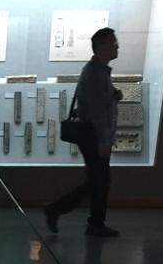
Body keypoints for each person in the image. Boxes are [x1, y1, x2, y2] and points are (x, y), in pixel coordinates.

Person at [44, 27, 122, 237]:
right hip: (94, 135)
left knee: (98, 180)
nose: (117, 46)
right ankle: (60, 210)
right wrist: (104, 140)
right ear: (102, 47)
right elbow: (96, 111)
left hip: (94, 133)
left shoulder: (98, 71)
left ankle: (91, 221)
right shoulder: (95, 72)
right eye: (113, 43)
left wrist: (113, 95)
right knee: (99, 180)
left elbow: (98, 103)